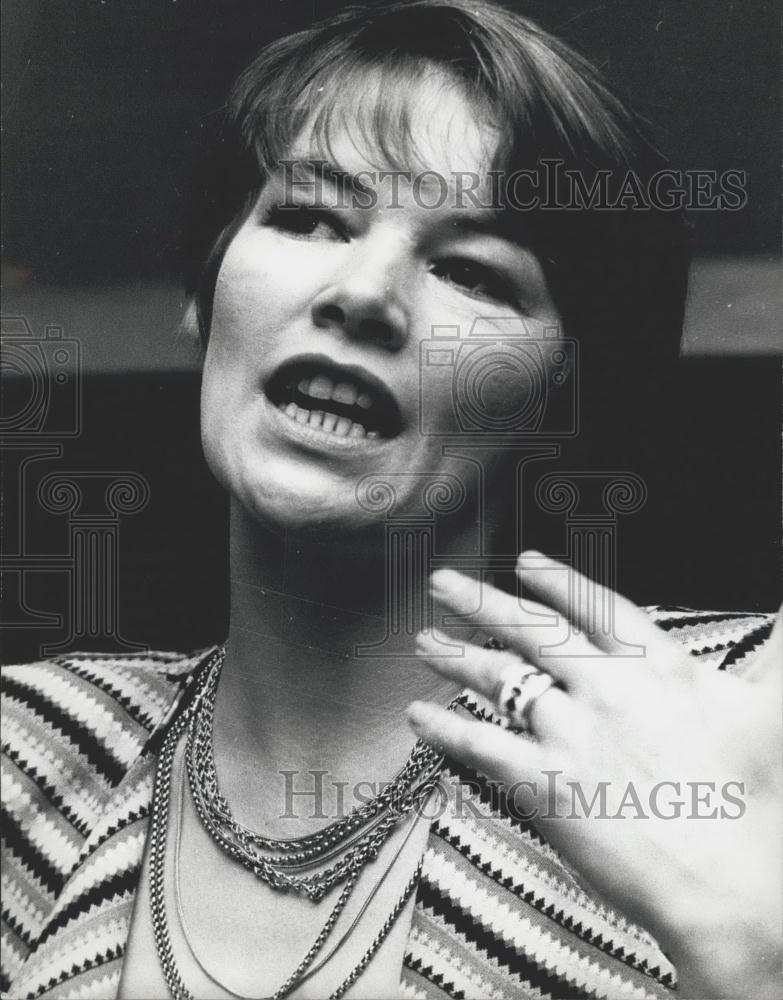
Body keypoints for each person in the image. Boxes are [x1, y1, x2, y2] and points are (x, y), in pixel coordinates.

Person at [2, 2, 780, 998]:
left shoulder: (747, 712)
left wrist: (760, 949)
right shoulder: (25, 763)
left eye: (470, 270)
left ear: (566, 392)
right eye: (310, 216)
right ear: (206, 294)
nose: (363, 292)